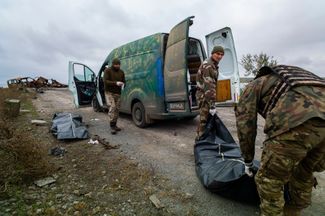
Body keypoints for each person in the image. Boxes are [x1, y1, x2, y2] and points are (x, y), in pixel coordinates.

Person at [235, 65, 325, 215]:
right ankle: (294, 211)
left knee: (269, 179)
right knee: (303, 171)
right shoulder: (291, 77)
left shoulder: (253, 85)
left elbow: (245, 124)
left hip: (297, 120)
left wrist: (248, 160)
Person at [195, 45, 224, 140]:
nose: (219, 56)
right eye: (217, 54)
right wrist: (212, 105)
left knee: (205, 120)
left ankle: (202, 142)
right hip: (204, 96)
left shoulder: (213, 64)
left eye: (221, 54)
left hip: (205, 95)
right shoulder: (209, 65)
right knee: (204, 121)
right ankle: (200, 143)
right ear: (212, 53)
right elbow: (209, 87)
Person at [103, 58, 126, 135]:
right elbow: (105, 81)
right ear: (113, 64)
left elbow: (124, 81)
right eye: (116, 64)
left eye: (118, 64)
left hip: (118, 93)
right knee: (112, 107)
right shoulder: (107, 71)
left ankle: (115, 124)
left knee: (117, 109)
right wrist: (116, 83)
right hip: (109, 92)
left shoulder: (121, 72)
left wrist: (123, 84)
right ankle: (112, 126)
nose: (117, 66)